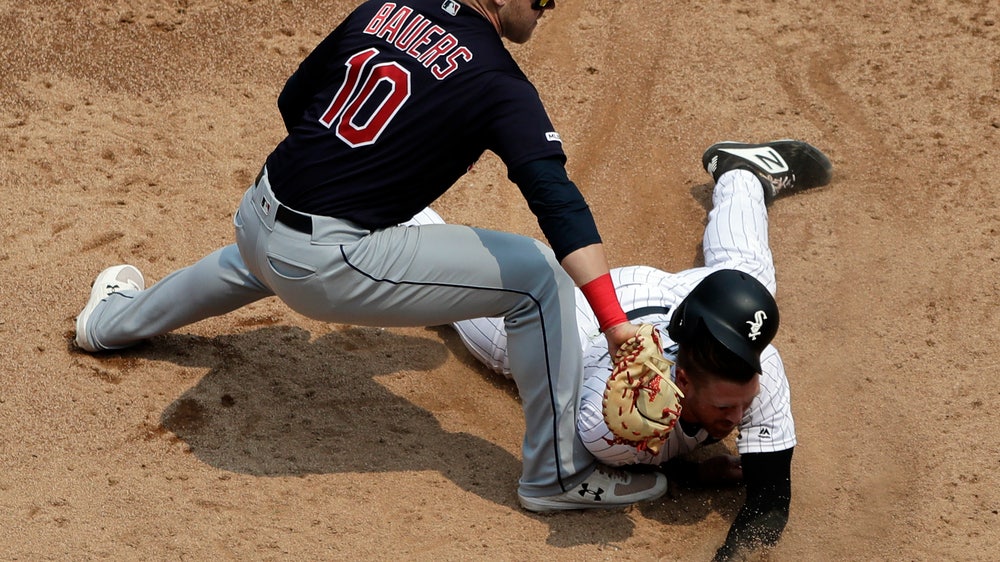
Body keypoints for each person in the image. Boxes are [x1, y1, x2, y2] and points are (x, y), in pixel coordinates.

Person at [73, 0, 672, 512]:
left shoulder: (386, 8)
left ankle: (106, 324)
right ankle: (557, 474)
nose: (550, 3)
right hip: (322, 263)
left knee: (258, 260)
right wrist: (615, 324)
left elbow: (295, 100)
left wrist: (370, 168)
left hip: (257, 211)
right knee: (538, 276)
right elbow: (557, 201)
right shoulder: (499, 82)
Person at [434, 139, 833, 560]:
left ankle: (742, 173)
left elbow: (769, 504)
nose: (736, 420)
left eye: (741, 404)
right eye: (723, 408)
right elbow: (605, 454)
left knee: (746, 281)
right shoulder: (610, 422)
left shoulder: (758, 369)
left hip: (684, 303)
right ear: (681, 380)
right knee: (471, 306)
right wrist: (685, 472)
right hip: (579, 318)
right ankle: (385, 223)